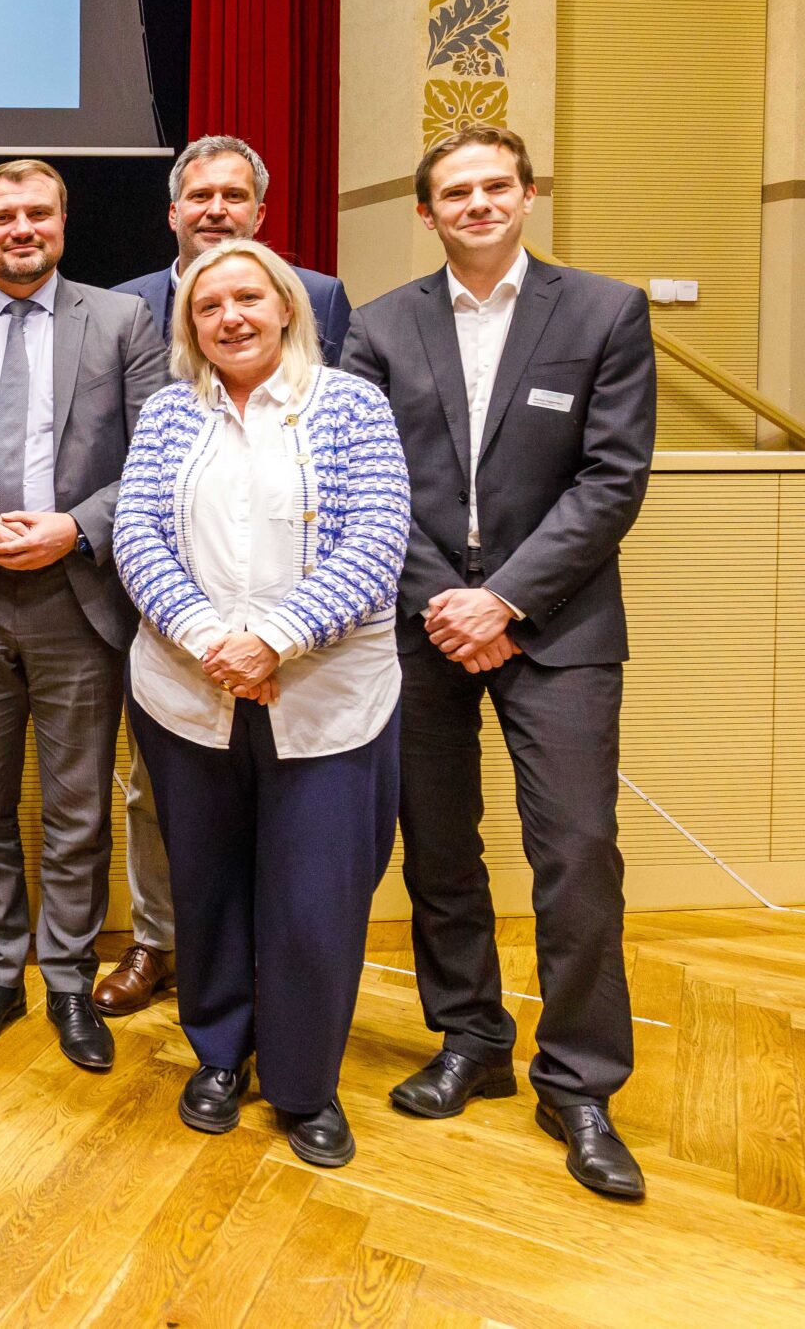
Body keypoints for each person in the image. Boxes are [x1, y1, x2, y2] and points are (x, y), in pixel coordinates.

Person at [342, 123, 656, 1201]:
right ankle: (470, 1037)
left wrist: (506, 600)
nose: (476, 203)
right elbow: (365, 478)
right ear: (424, 212)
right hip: (421, 624)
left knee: (577, 854)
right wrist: (448, 602)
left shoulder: (604, 312)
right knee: (438, 849)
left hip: (559, 628)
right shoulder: (382, 326)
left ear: (525, 196)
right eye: (455, 192)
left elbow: (612, 479)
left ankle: (579, 1084)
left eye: (494, 186)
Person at [114, 239, 409, 1168]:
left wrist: (275, 639)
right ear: (189, 325)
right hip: (188, 691)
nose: (230, 317)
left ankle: (304, 1084)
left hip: (327, 698)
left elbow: (379, 540)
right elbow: (136, 534)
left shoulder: (352, 405)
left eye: (248, 298)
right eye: (209, 307)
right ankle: (218, 1055)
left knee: (314, 899)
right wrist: (214, 642)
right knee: (205, 887)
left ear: (287, 306)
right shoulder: (169, 412)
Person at [0, 159, 167, 1072]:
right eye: (3, 216)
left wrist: (75, 527)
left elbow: (157, 454)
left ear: (62, 222)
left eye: (37, 212)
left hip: (78, 597)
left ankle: (69, 980)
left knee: (78, 810)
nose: (21, 228)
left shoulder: (122, 321)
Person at [100, 136, 357, 1018]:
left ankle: (269, 970)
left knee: (288, 812)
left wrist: (279, 633)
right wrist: (202, 629)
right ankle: (158, 939)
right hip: (171, 613)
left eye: (234, 195)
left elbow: (335, 460)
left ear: (260, 212)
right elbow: (128, 467)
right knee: (158, 793)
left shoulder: (323, 296)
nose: (216, 209)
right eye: (199, 195)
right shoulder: (124, 305)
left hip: (304, 637)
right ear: (173, 211)